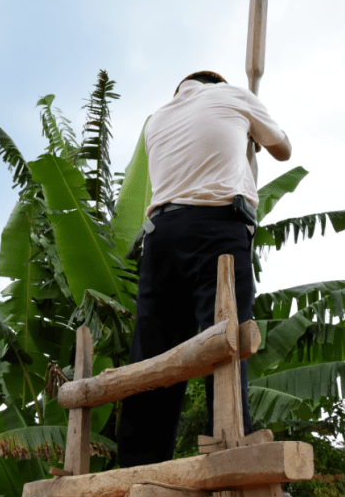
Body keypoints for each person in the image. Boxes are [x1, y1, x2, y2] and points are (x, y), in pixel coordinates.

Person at [116, 70, 292, 467]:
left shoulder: (158, 118)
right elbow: (284, 149)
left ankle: (139, 466)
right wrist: (253, 137)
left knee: (153, 356)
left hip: (159, 235)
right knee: (223, 343)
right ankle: (229, 454)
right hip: (216, 227)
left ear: (181, 91)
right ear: (217, 85)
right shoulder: (233, 95)